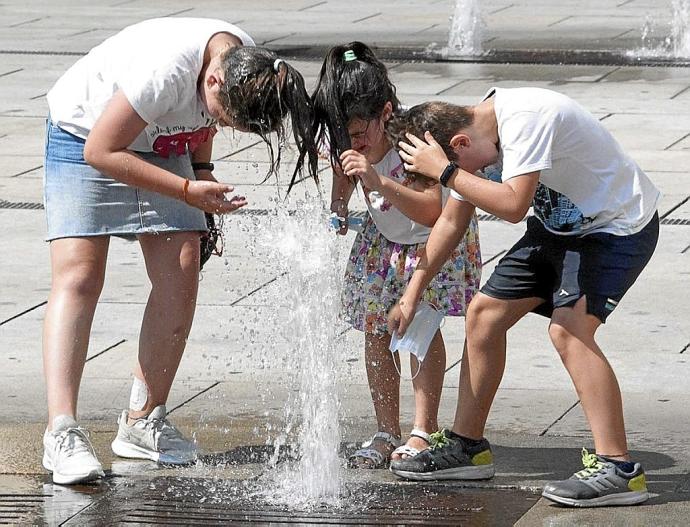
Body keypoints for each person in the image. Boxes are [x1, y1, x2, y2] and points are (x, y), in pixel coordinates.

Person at [42, 17, 318, 485]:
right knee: (81, 276)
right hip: (86, 133)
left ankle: (142, 422)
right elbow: (102, 151)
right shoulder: (165, 73)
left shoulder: (245, 63)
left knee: (183, 267)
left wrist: (202, 170)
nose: (218, 123)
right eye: (222, 115)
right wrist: (188, 189)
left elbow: (205, 122)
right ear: (213, 79)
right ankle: (62, 430)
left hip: (164, 141)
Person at [386, 87, 660, 507]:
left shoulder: (525, 118)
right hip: (559, 228)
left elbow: (514, 205)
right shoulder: (471, 138)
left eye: (453, 167)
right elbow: (450, 223)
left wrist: (447, 173)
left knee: (568, 331)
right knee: (484, 314)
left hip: (615, 228)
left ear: (459, 144)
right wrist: (411, 292)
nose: (464, 177)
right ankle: (468, 446)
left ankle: (619, 469)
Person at [311, 42, 481, 468]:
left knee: (418, 331)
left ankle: (424, 430)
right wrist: (338, 207)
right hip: (383, 241)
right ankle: (386, 430)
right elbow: (342, 172)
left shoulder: (410, 141)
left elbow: (432, 210)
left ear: (385, 112)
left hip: (430, 244)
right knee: (376, 333)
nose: (354, 143)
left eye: (360, 135)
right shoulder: (348, 138)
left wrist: (377, 180)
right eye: (344, 136)